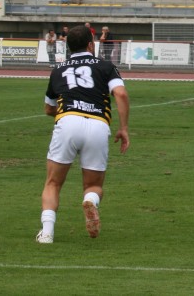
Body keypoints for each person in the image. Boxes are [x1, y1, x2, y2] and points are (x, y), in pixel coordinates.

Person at [36, 25, 130, 244]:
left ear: (68, 47)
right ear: (91, 44)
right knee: (94, 186)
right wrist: (123, 128)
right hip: (98, 124)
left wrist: (70, 113)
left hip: (68, 121)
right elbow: (121, 94)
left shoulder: (58, 70)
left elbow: (49, 108)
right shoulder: (106, 66)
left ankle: (47, 233)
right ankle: (90, 200)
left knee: (53, 183)